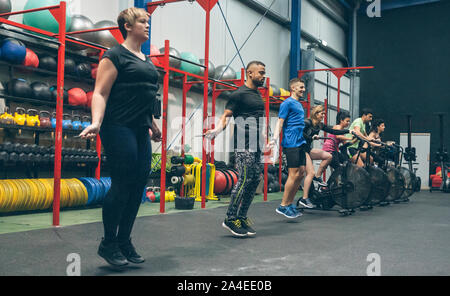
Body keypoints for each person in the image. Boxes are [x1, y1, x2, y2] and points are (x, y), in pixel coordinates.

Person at [79, 7, 162, 267]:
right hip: (117, 126)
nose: (147, 26)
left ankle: (124, 240)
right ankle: (109, 242)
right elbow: (100, 93)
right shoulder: (114, 55)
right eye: (142, 22)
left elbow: (146, 96)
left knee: (138, 186)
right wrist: (96, 122)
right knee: (122, 183)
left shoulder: (146, 60)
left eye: (148, 22)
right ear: (127, 25)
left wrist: (153, 124)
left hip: (139, 128)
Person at [205, 61, 267, 237]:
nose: (263, 76)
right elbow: (226, 116)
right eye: (260, 73)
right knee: (245, 179)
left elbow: (257, 120)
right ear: (249, 73)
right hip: (243, 144)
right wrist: (217, 130)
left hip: (256, 145)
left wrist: (263, 138)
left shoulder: (257, 95)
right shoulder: (238, 94)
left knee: (255, 180)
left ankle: (241, 217)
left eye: (264, 73)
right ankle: (230, 218)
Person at [298, 105, 349, 209]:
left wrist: (349, 131)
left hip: (308, 149)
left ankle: (317, 176)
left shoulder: (320, 125)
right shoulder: (307, 122)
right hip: (301, 149)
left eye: (324, 114)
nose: (323, 116)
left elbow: (334, 132)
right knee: (310, 173)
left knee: (328, 156)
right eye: (322, 113)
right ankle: (304, 198)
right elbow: (299, 133)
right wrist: (311, 137)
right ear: (316, 114)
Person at [270, 77, 306, 219]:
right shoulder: (287, 103)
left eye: (303, 87)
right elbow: (280, 122)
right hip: (291, 143)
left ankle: (290, 204)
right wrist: (274, 139)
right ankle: (283, 206)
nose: (303, 89)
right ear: (293, 88)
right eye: (301, 87)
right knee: (293, 174)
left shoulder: (298, 104)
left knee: (301, 172)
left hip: (300, 142)